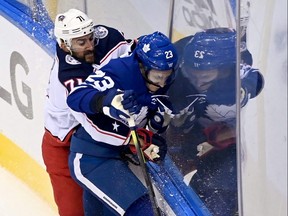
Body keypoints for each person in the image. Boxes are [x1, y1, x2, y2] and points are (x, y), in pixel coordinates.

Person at [66, 31, 178, 215]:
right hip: (91, 160)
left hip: (117, 160)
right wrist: (105, 101)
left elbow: (146, 128)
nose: (162, 82)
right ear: (142, 66)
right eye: (158, 76)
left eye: (167, 76)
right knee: (144, 212)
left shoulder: (161, 84)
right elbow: (75, 97)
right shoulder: (119, 71)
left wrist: (156, 126)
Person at [42, 8, 135, 216]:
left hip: (94, 145)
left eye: (90, 37)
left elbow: (133, 55)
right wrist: (132, 139)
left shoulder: (108, 38)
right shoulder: (69, 77)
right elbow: (94, 126)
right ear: (64, 44)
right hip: (62, 147)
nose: (90, 45)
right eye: (81, 42)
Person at [164, 27, 264, 215]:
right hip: (190, 128)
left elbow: (256, 81)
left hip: (231, 140)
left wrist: (229, 133)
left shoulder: (241, 70)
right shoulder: (176, 65)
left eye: (205, 76)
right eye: (192, 74)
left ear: (225, 71)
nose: (198, 82)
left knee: (215, 189)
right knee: (167, 168)